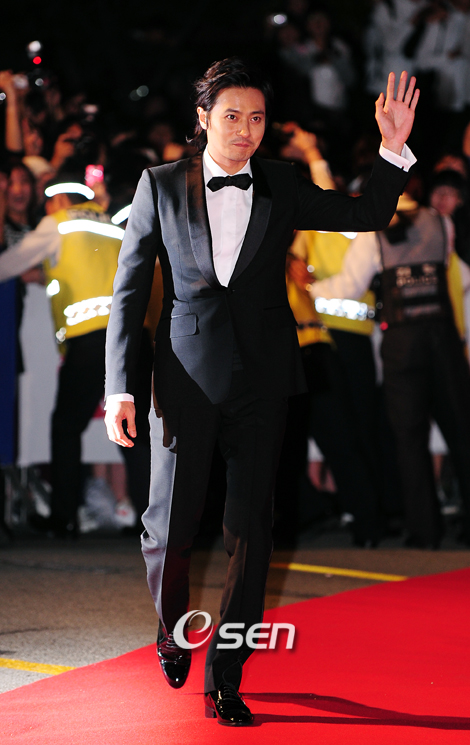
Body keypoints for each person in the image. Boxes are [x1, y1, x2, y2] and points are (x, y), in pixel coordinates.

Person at [104, 58, 418, 725]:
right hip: (185, 381)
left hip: (263, 381)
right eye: (231, 117)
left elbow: (366, 212)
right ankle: (172, 627)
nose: (245, 130)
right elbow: (127, 293)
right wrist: (120, 390)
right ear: (203, 119)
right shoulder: (159, 185)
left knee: (251, 532)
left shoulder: (282, 181)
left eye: (256, 118)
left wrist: (392, 148)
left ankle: (227, 676)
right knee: (168, 528)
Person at [308, 181, 470, 548]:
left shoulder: (374, 228)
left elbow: (351, 286)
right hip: (442, 335)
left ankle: (425, 531)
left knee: (409, 437)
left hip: (401, 339)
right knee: (461, 430)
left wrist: (308, 290)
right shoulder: (440, 221)